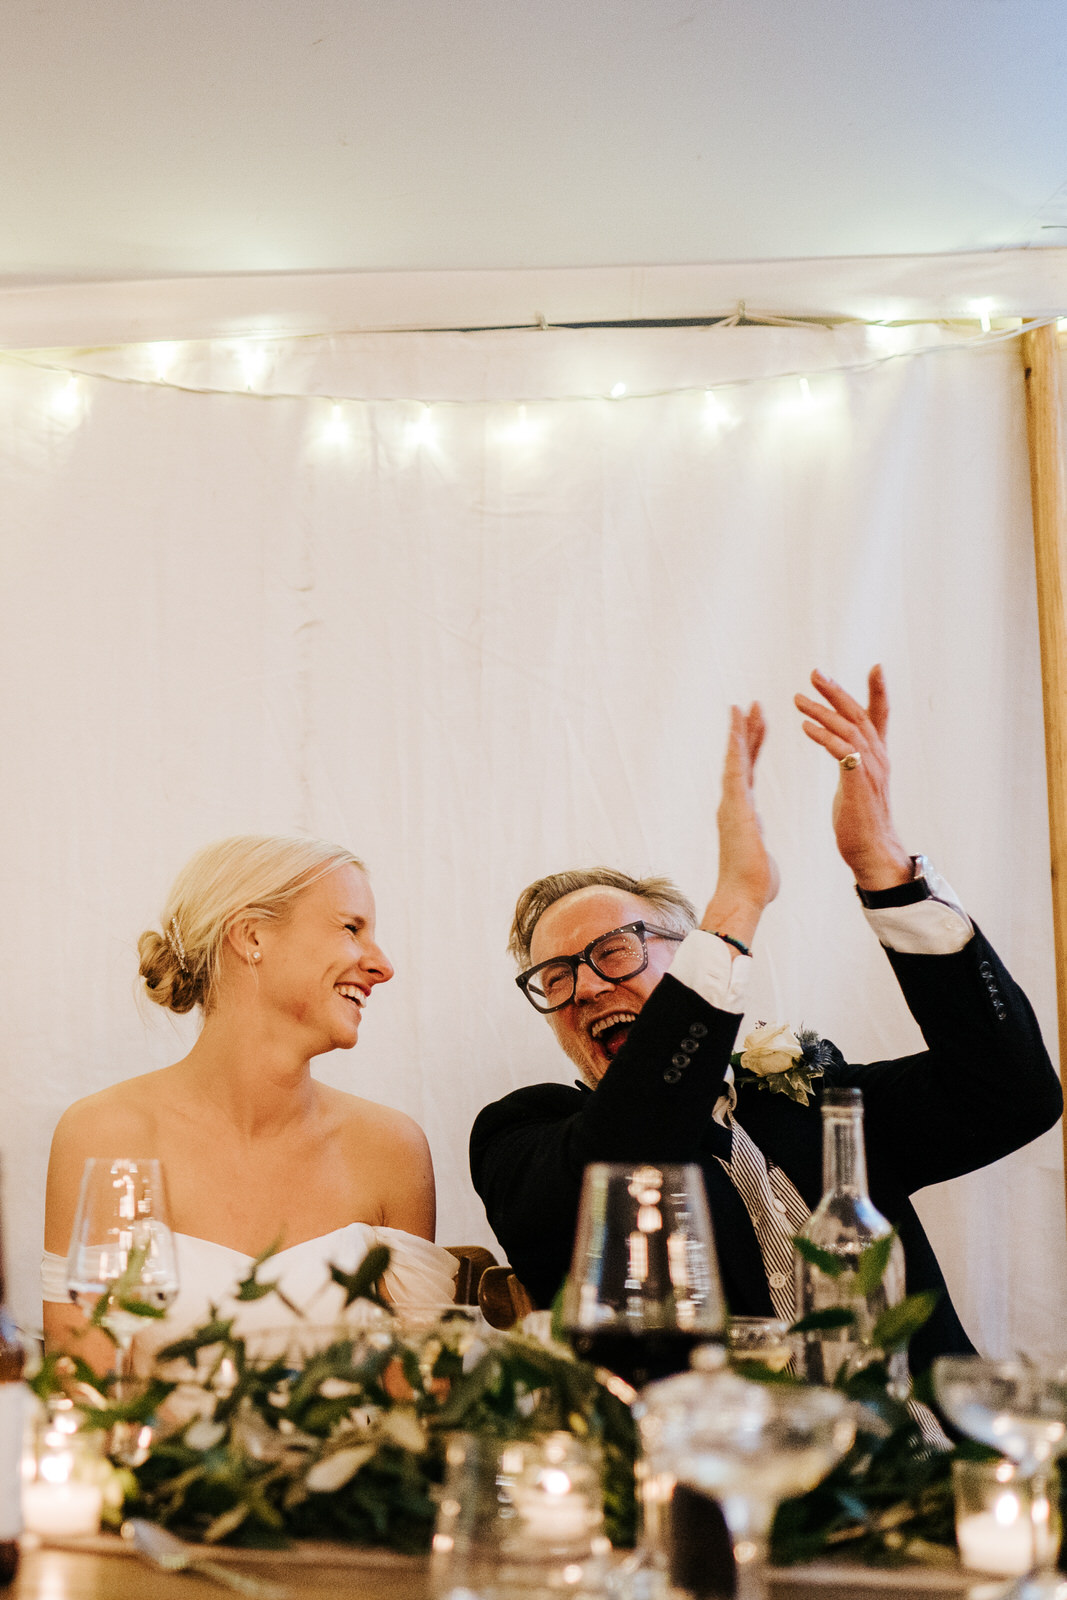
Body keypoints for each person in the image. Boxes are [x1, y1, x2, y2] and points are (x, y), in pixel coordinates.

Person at [470, 668, 1063, 1373]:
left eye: (615, 951)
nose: (588, 988)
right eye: (555, 977)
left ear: (686, 957)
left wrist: (885, 872)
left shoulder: (812, 1103)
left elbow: (1010, 1093)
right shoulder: (522, 1137)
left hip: (927, 1457)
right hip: (714, 1474)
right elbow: (630, 1152)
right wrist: (737, 905)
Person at [44, 835, 456, 1372]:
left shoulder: (391, 1149)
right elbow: (87, 1392)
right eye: (352, 928)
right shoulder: (104, 1135)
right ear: (252, 935)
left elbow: (420, 1398)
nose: (381, 965)